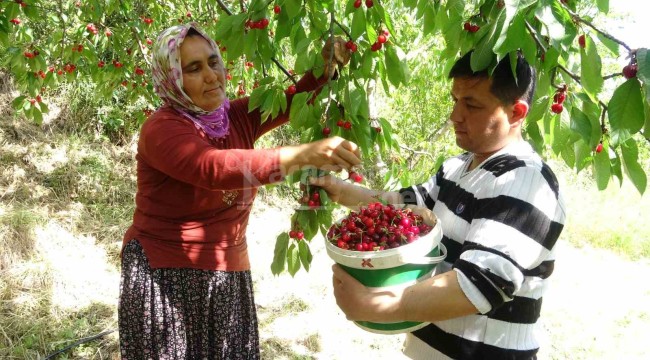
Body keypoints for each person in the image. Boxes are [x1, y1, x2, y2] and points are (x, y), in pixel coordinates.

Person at [118, 23, 358, 359]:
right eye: (193, 69)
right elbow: (213, 168)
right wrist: (301, 155)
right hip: (165, 273)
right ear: (172, 78)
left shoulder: (233, 116)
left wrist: (325, 67)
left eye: (213, 62)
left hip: (226, 272)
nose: (211, 76)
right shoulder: (162, 129)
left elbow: (291, 102)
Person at [311, 51, 566, 359]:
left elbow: (481, 284)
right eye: (455, 100)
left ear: (516, 113)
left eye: (471, 104)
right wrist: (340, 190)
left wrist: (379, 305)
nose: (455, 115)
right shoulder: (458, 168)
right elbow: (399, 207)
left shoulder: (523, 182)